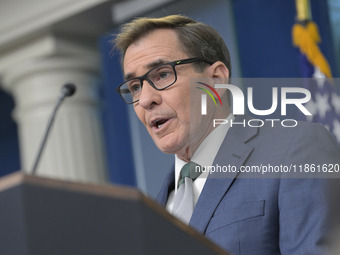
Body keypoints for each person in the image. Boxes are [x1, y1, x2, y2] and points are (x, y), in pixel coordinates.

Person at [112, 15, 340, 255]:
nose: (146, 100)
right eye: (136, 86)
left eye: (162, 74)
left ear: (216, 80)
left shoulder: (295, 149)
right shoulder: (155, 208)